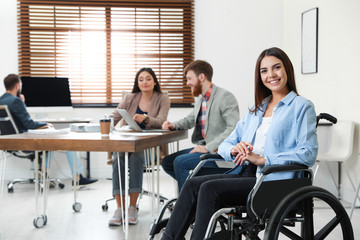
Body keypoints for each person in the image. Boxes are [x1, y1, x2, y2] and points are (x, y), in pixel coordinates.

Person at [160, 47, 319, 240]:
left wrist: (263, 159)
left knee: (209, 189)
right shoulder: (257, 109)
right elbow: (227, 143)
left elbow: (308, 153)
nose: (271, 75)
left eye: (276, 67)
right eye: (264, 71)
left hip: (274, 182)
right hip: (247, 174)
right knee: (194, 184)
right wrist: (235, 148)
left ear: (287, 69)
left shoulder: (302, 107)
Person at [0, 73, 97, 187]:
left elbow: (18, 122)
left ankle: (44, 170)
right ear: (17, 86)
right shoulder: (16, 101)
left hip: (10, 141)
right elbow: (29, 123)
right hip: (24, 140)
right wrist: (45, 124)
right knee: (66, 138)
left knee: (51, 138)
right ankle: (77, 177)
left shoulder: (2, 100)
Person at [161, 60, 240, 191]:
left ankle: (187, 208)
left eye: (189, 78)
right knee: (167, 162)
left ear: (201, 77)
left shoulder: (225, 97)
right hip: (203, 148)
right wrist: (173, 125)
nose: (187, 83)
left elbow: (233, 129)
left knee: (180, 163)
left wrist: (209, 148)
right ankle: (194, 193)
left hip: (218, 152)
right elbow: (190, 119)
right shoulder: (201, 99)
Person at [109, 67, 170, 226]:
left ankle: (132, 207)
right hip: (127, 143)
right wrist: (117, 125)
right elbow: (115, 116)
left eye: (148, 78)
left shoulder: (162, 98)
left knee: (136, 154)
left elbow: (162, 121)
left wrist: (145, 119)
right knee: (118, 156)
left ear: (154, 81)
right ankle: (119, 208)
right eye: (141, 79)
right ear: (137, 82)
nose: (144, 82)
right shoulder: (130, 97)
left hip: (151, 148)